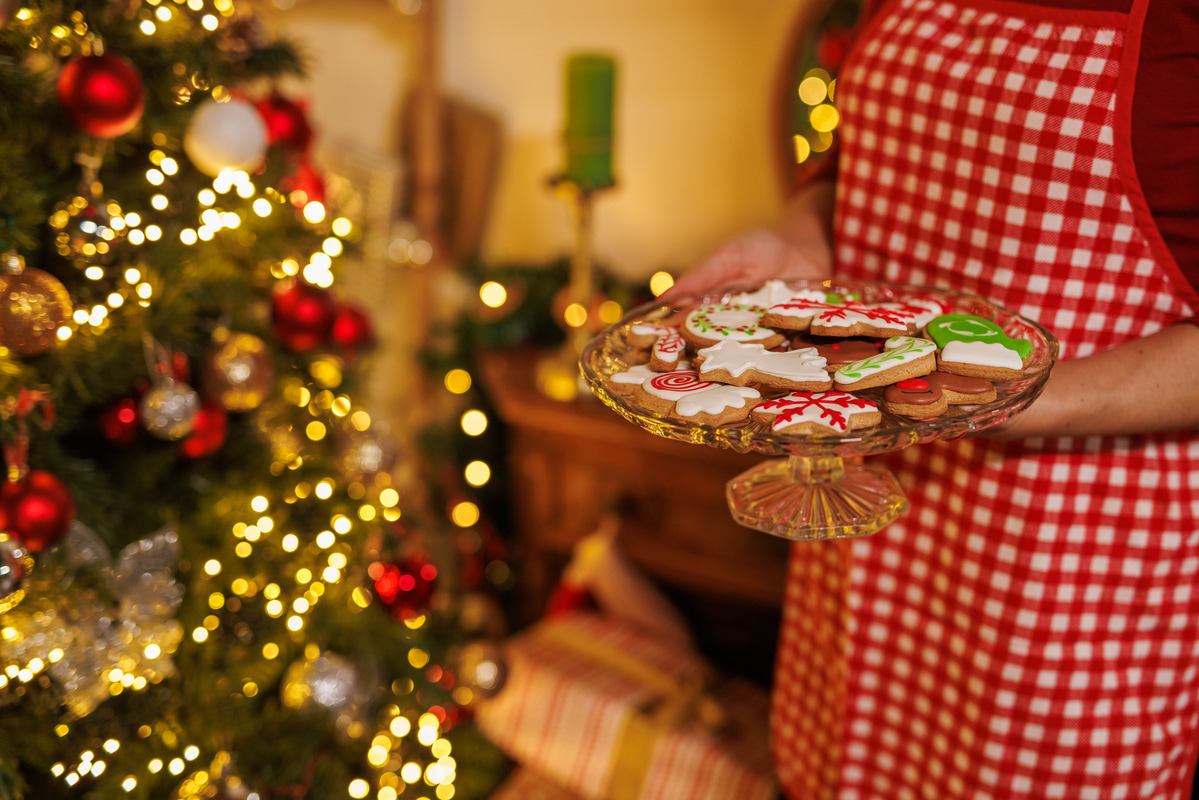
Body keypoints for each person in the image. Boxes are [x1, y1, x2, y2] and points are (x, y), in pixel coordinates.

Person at [666, 0, 1199, 797]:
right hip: (867, 525)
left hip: (1062, 569)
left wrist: (1007, 399)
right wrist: (798, 238)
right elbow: (859, 168)